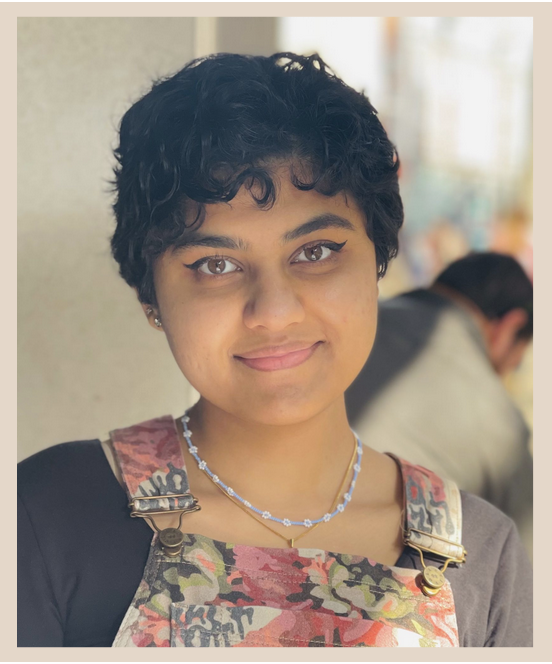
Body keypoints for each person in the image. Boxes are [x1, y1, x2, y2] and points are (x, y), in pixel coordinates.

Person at [17, 53, 532, 648]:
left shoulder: (483, 557)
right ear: (151, 297)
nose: (275, 311)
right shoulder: (46, 516)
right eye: (216, 264)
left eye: (315, 252)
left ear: (378, 263)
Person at [345, 252, 533, 557]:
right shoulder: (502, 423)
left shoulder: (348, 325)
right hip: (389, 591)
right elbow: (528, 568)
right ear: (511, 326)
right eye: (517, 361)